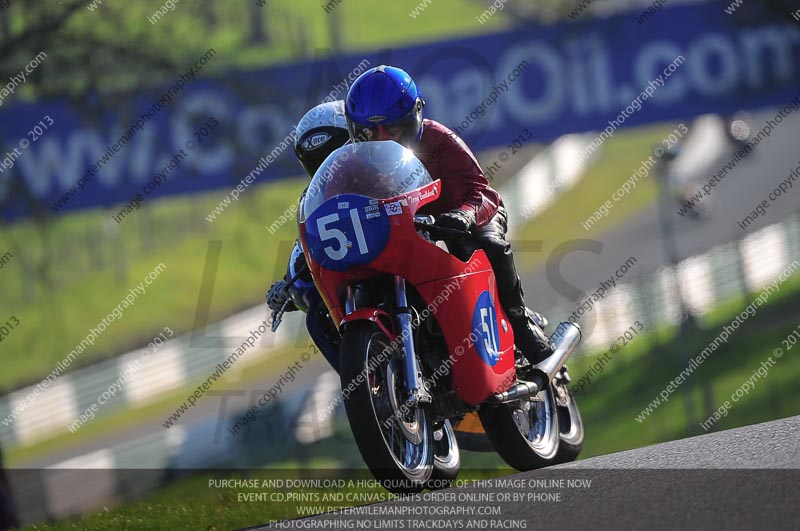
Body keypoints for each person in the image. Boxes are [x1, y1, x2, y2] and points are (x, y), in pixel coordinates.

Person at [343, 65, 553, 365]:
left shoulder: (440, 140)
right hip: (402, 236)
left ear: (415, 115)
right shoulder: (352, 164)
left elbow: (480, 192)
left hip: (463, 221)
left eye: (393, 129)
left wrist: (464, 216)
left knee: (483, 245)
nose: (381, 139)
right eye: (368, 132)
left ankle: (520, 324)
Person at [267, 100, 350, 372]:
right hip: (351, 283)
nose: (328, 166)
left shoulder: (385, 171)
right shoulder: (312, 200)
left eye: (333, 153)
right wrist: (288, 284)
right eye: (319, 159)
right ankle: (363, 387)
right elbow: (304, 245)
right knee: (317, 316)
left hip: (396, 263)